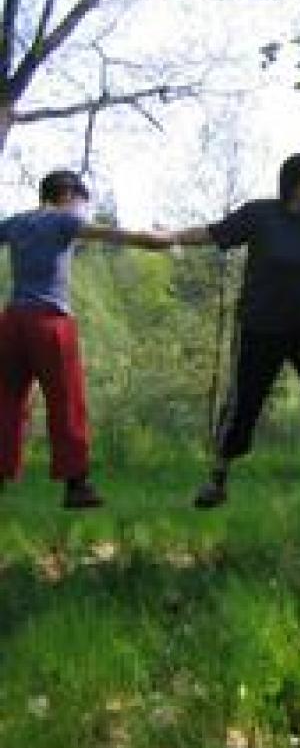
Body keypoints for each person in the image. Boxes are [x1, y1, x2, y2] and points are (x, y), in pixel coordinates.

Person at [168, 153, 300, 508]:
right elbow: (217, 232)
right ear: (294, 182)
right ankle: (217, 479)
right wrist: (170, 238)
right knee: (245, 403)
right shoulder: (261, 214)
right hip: (262, 326)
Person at [0, 170, 172, 508]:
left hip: (12, 323)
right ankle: (76, 485)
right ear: (69, 196)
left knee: (5, 403)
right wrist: (160, 240)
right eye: (81, 203)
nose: (82, 211)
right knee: (67, 402)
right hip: (50, 323)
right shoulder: (64, 220)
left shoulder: (16, 222)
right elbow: (114, 234)